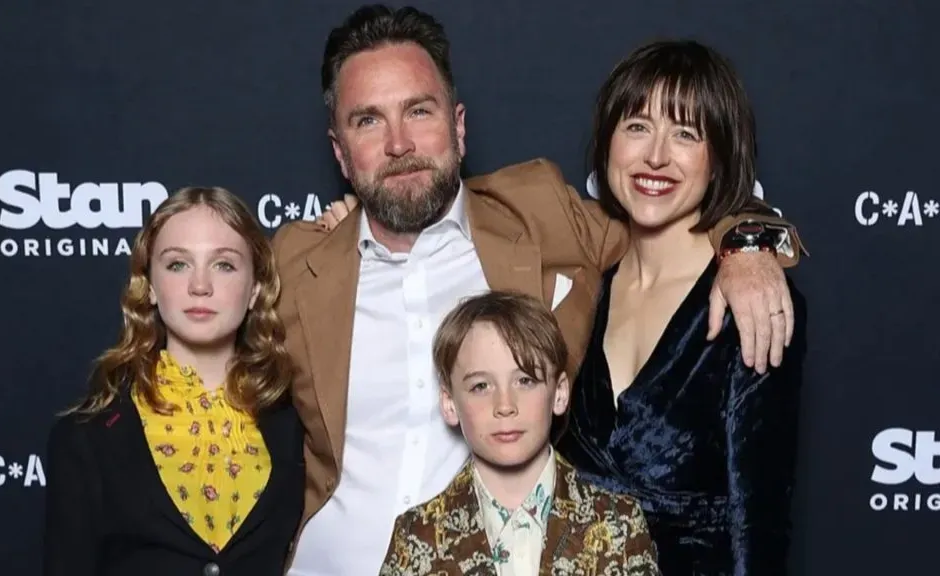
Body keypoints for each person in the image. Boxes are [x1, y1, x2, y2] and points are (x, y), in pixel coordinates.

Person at [276, 5, 806, 574]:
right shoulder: (297, 260)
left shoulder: (539, 213)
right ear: (339, 150)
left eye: (418, 111)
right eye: (368, 121)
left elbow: (665, 206)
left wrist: (747, 243)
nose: (399, 142)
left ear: (458, 125)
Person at [554, 41, 807, 575]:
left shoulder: (754, 303)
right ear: (607, 145)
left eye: (686, 134)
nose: (656, 156)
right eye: (637, 126)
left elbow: (757, 525)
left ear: (719, 160)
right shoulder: (580, 284)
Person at [42, 187, 304, 576]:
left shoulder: (294, 425)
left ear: (255, 289)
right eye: (178, 264)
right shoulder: (87, 438)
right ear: (147, 284)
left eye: (224, 265)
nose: (201, 285)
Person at [378, 290, 661, 575]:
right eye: (481, 386)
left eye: (525, 380)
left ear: (559, 393)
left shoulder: (618, 523)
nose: (504, 405)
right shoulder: (417, 535)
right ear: (450, 403)